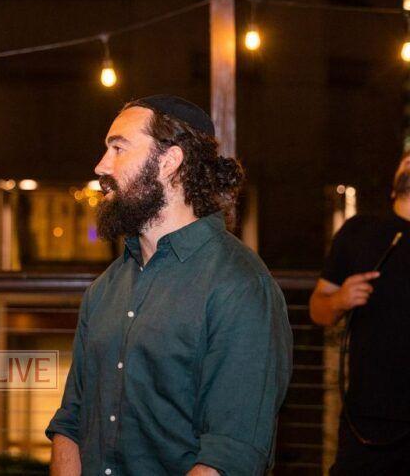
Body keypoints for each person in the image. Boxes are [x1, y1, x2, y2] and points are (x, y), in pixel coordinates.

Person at [46, 96, 293, 475]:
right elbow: (70, 421)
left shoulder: (240, 284)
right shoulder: (104, 289)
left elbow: (230, 453)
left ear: (169, 161)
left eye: (118, 148)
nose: (101, 166)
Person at [309, 151, 410, 474]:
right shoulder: (360, 232)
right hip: (367, 417)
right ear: (393, 188)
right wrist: (340, 299)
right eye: (406, 159)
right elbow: (318, 310)